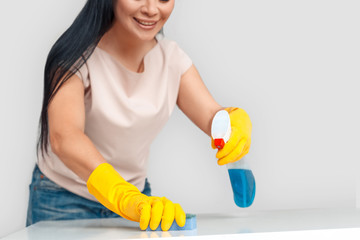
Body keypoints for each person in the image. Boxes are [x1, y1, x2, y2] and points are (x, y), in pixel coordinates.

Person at [27, 0, 252, 231]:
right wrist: (122, 195)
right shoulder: (76, 55)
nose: (151, 9)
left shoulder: (171, 58)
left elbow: (212, 116)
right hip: (64, 199)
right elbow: (64, 137)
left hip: (137, 200)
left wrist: (233, 124)